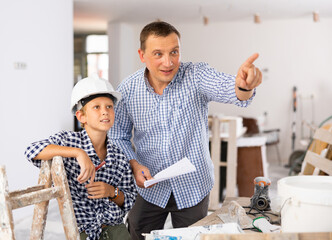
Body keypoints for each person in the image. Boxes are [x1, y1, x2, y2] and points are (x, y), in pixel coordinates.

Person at [108, 21, 262, 239]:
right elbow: (117, 136)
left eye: (174, 52)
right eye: (158, 54)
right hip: (147, 189)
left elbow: (233, 90)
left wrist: (244, 86)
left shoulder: (196, 75)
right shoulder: (127, 89)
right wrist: (133, 164)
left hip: (193, 187)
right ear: (142, 55)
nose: (168, 62)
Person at [24, 76, 137, 240]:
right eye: (96, 107)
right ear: (81, 116)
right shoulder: (68, 141)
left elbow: (129, 200)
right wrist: (78, 153)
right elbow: (31, 150)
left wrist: (111, 191)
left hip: (116, 231)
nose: (105, 111)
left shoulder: (119, 155)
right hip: (84, 233)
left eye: (109, 106)